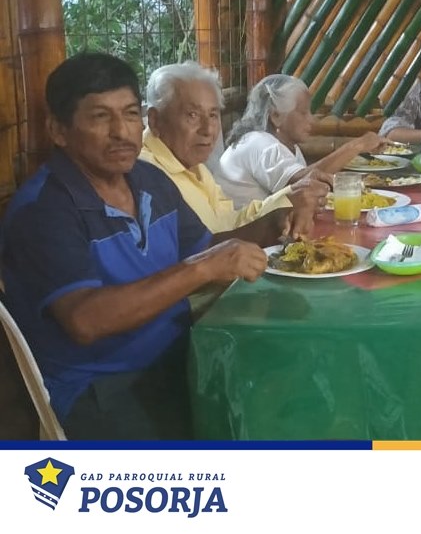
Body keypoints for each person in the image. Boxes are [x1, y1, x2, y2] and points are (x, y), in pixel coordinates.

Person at [0, 53, 285, 440]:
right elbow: (86, 320)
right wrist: (203, 267)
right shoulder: (43, 211)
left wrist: (273, 224)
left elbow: (205, 248)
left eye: (130, 114)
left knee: (281, 391)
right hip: (102, 389)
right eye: (100, 116)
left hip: (176, 355)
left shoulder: (150, 180)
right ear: (58, 130)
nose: (121, 131)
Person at [141, 61, 328, 237]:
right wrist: (285, 205)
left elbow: (229, 222)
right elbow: (203, 246)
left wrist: (288, 199)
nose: (208, 130)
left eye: (213, 115)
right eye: (192, 115)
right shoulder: (146, 176)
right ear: (155, 120)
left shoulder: (193, 166)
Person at [210, 74, 387, 207]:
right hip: (242, 238)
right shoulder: (261, 144)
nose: (312, 120)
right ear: (276, 116)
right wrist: (357, 145)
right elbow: (303, 184)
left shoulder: (285, 146)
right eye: (303, 112)